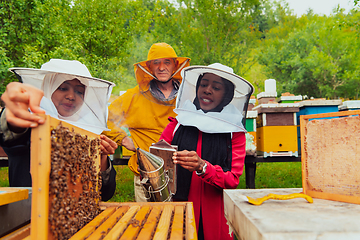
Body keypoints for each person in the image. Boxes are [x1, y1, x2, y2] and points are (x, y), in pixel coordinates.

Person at [0, 59, 117, 201]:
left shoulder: (86, 132)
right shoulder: (31, 121)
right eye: (63, 88)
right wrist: (13, 112)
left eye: (79, 92)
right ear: (47, 89)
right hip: (28, 217)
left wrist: (102, 157)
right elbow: (13, 134)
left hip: (77, 219)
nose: (71, 96)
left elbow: (105, 194)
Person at [160, 63, 254, 240]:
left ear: (227, 95)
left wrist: (203, 167)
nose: (208, 90)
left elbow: (232, 180)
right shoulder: (177, 124)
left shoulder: (234, 132)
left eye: (216, 87)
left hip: (215, 214)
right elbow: (158, 158)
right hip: (178, 210)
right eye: (204, 85)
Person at [103, 42, 190, 202]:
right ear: (149, 67)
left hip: (183, 172)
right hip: (146, 174)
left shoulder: (187, 95)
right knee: (149, 223)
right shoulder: (134, 96)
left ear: (175, 65)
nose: (161, 67)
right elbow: (105, 117)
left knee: (180, 223)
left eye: (167, 62)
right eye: (156, 62)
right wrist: (123, 139)